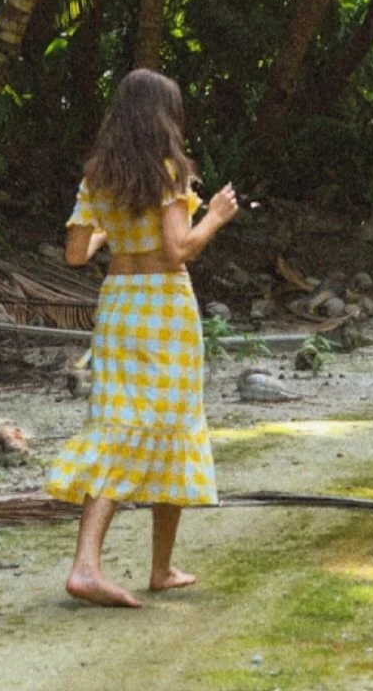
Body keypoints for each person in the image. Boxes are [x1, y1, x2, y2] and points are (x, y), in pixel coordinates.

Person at [49, 68, 238, 607]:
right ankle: (99, 566)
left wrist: (116, 230)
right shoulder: (169, 172)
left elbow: (75, 253)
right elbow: (179, 249)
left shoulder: (98, 176)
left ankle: (153, 567)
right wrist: (217, 217)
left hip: (119, 307)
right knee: (170, 421)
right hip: (164, 306)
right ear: (162, 116)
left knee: (118, 421)